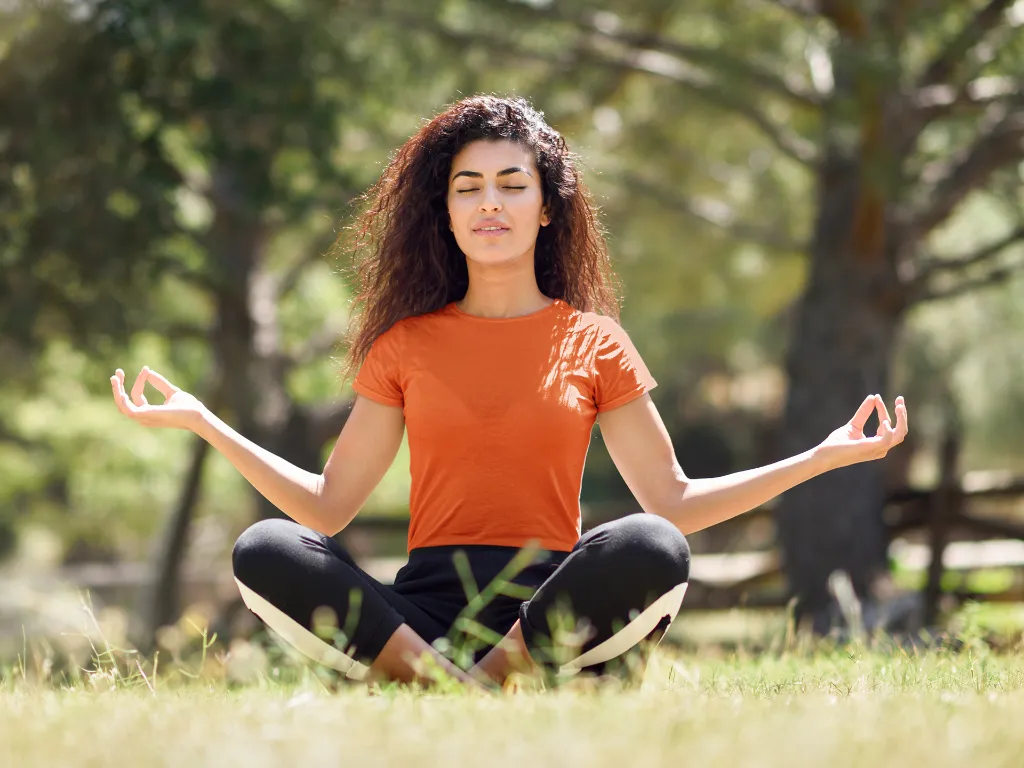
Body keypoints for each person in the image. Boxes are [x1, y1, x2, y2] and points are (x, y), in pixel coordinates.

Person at [110, 95, 908, 689]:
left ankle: (485, 679)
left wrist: (823, 457)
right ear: (446, 213)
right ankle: (448, 680)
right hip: (419, 615)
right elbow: (326, 509)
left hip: (552, 612)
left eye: (511, 184)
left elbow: (675, 500)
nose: (490, 203)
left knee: (653, 546)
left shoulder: (595, 342)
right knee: (268, 548)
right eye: (468, 187)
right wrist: (203, 421)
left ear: (547, 207)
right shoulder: (405, 345)